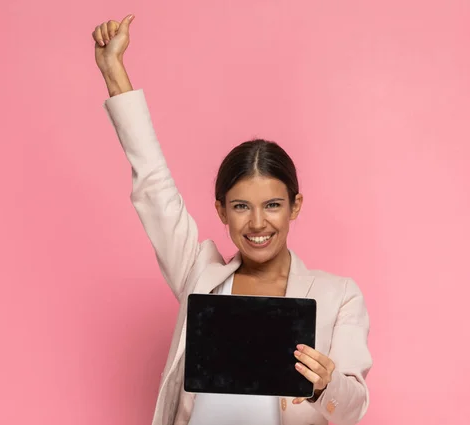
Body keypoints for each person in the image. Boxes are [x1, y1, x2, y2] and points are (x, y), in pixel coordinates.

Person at [92, 14, 373, 425]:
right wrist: (114, 71)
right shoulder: (202, 277)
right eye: (241, 206)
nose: (258, 223)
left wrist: (325, 383)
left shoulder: (338, 296)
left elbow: (353, 408)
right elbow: (155, 189)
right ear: (222, 210)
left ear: (294, 206)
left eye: (272, 205)